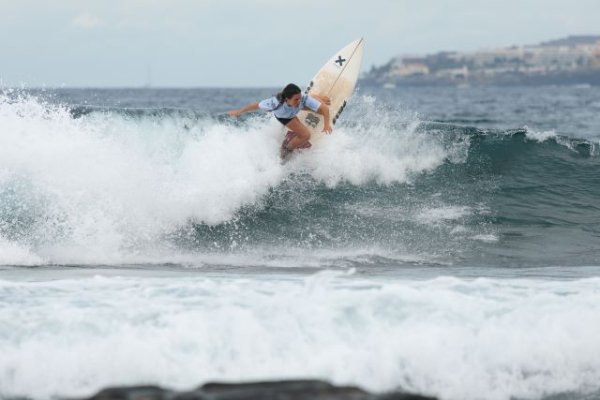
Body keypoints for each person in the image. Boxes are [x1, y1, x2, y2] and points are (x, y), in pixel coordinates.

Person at [227, 83, 332, 158]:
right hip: (286, 117)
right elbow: (255, 105)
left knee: (320, 108)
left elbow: (325, 109)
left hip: (297, 108)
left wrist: (326, 124)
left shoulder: (301, 99)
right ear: (287, 99)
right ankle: (287, 148)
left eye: (299, 97)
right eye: (296, 99)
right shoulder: (274, 103)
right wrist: (239, 111)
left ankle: (316, 97)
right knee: (305, 135)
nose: (299, 100)